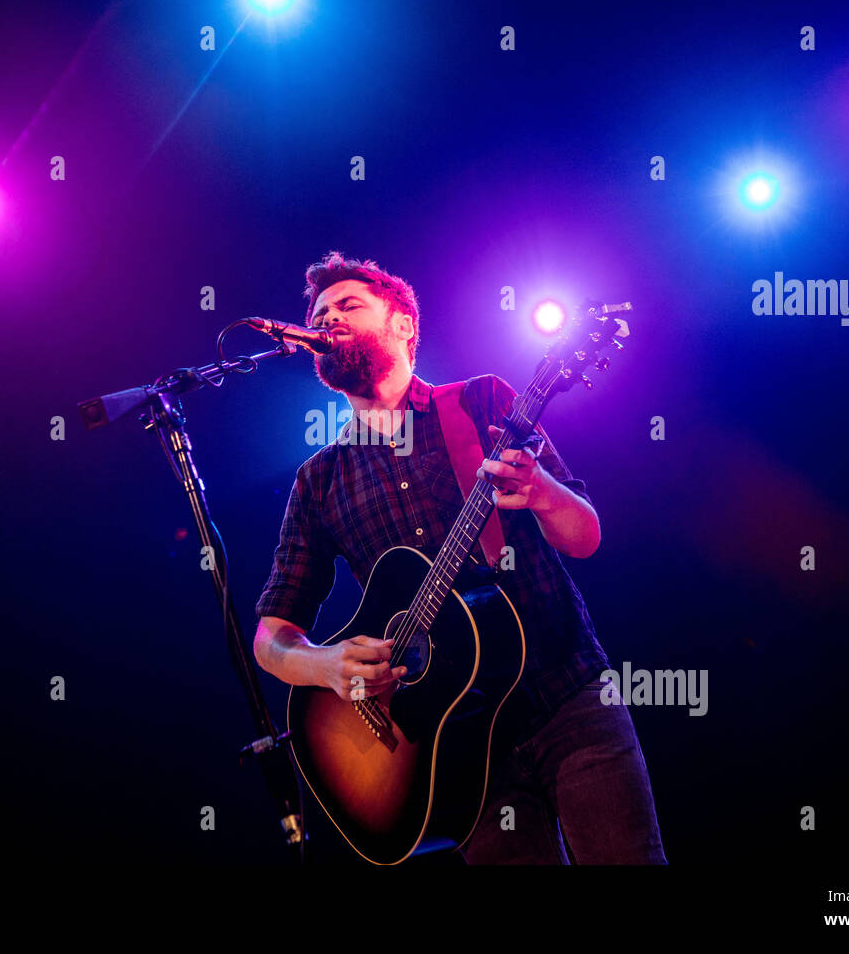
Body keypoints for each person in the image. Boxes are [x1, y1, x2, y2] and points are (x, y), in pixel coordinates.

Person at [252, 251, 666, 864]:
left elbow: (585, 536)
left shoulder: (482, 403)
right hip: (455, 747)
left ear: (402, 327)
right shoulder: (319, 479)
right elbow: (271, 637)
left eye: (348, 306)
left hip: (567, 697)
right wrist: (327, 666)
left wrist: (543, 494)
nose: (329, 319)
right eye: (320, 313)